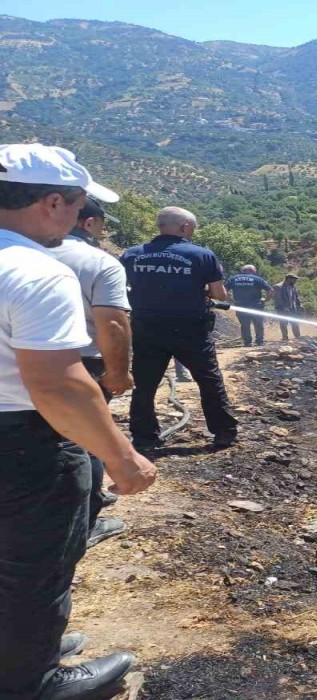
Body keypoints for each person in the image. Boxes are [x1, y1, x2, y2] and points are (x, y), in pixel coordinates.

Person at [0, 143, 155, 699]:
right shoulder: (37, 272)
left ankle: (21, 646)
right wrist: (121, 457)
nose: (80, 218)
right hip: (22, 442)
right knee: (35, 563)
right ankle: (31, 680)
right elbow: (58, 385)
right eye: (78, 204)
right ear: (51, 203)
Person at [47, 200, 132, 549]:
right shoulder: (97, 262)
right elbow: (112, 323)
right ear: (90, 222)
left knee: (44, 437)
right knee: (88, 436)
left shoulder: (16, 252)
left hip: (25, 358)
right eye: (100, 226)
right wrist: (118, 372)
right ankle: (86, 520)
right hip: (83, 359)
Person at [120, 207, 237, 450]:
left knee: (144, 385)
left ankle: (144, 437)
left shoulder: (132, 255)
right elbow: (218, 294)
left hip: (147, 329)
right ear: (184, 227)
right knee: (208, 380)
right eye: (192, 229)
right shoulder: (201, 255)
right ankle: (224, 432)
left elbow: (120, 290)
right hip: (190, 330)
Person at [226, 264, 272, 347]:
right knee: (258, 323)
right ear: (250, 270)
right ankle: (259, 341)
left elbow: (223, 290)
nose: (255, 272)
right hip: (256, 305)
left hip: (240, 305)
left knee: (244, 324)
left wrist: (231, 300)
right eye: (255, 270)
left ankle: (247, 342)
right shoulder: (257, 279)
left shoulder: (233, 279)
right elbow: (270, 290)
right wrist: (266, 300)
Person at [272, 273, 304, 341]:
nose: (295, 281)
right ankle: (285, 338)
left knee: (295, 323)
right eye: (294, 280)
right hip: (282, 309)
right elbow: (278, 298)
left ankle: (298, 338)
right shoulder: (278, 286)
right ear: (289, 279)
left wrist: (300, 304)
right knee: (284, 323)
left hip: (293, 308)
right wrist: (284, 307)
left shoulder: (293, 286)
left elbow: (296, 296)